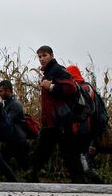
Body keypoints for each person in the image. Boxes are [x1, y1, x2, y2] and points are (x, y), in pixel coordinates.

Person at [27, 46, 84, 183]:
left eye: (44, 55)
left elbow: (71, 87)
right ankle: (32, 176)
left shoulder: (57, 70)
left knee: (67, 153)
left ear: (51, 55)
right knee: (43, 151)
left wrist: (51, 87)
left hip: (61, 122)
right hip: (52, 122)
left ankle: (81, 182)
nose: (41, 59)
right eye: (39, 56)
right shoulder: (49, 72)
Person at [65, 65, 106, 183]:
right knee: (79, 159)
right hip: (86, 130)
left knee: (84, 161)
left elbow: (85, 113)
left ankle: (99, 185)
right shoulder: (87, 87)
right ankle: (82, 183)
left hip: (84, 131)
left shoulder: (82, 89)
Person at [0, 79, 30, 174]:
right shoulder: (8, 103)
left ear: (8, 91)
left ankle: (34, 185)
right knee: (3, 162)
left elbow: (7, 122)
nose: (0, 93)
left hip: (18, 141)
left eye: (1, 91)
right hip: (12, 140)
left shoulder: (15, 105)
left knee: (25, 166)